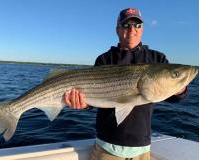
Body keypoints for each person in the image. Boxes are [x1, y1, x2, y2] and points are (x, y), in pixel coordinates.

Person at [64, 8, 187, 160]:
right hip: (107, 147)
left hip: (142, 148)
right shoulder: (104, 59)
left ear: (142, 29)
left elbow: (175, 97)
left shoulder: (157, 59)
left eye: (137, 25)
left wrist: (180, 87)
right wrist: (83, 105)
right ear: (117, 29)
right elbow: (93, 98)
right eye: (126, 25)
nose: (132, 30)